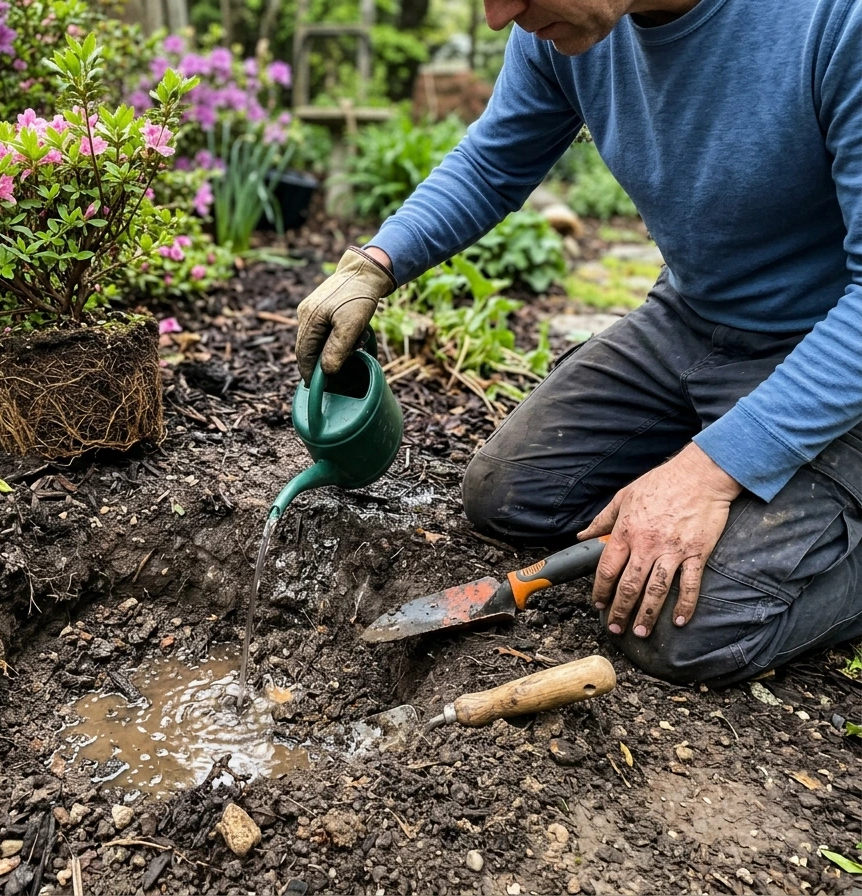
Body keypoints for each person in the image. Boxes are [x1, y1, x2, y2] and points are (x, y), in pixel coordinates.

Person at [294, 0, 862, 685]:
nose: (498, 16)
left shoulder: (834, 21)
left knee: (690, 628)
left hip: (828, 349)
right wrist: (374, 265)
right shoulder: (563, 30)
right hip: (692, 319)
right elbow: (491, 163)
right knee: (509, 495)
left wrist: (708, 470)